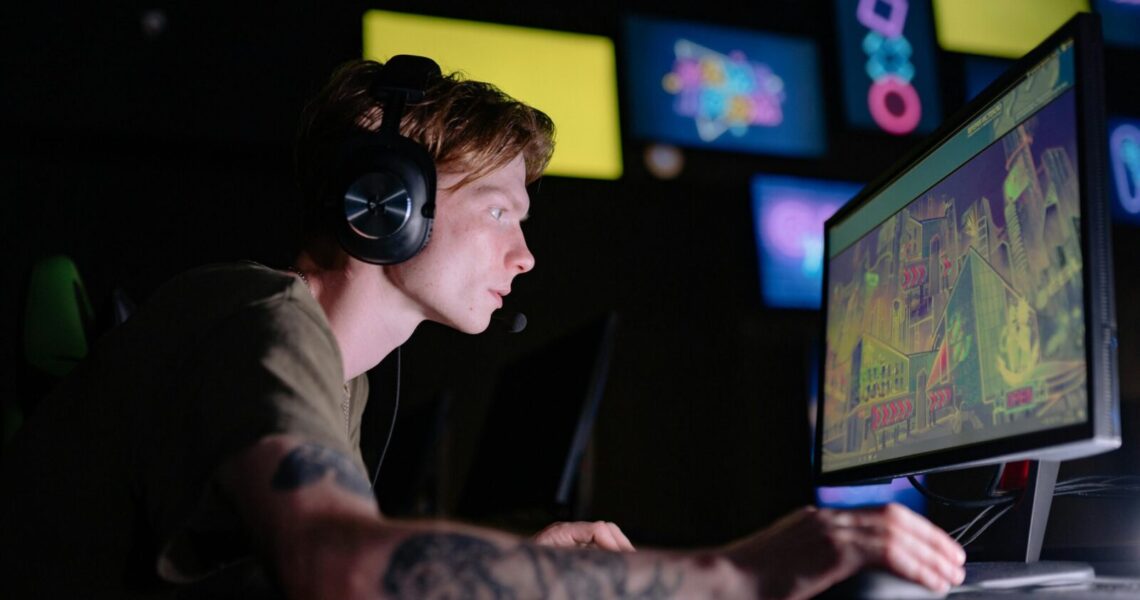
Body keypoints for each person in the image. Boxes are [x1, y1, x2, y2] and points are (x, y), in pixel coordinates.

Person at [0, 56, 966, 599]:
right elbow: (335, 566)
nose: (526, 254)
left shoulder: (349, 374)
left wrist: (519, 571)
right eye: (504, 209)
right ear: (388, 203)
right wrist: (733, 575)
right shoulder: (265, 321)